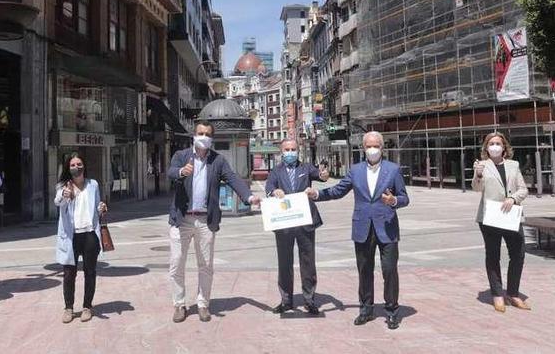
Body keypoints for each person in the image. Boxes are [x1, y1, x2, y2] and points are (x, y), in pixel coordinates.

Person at [306, 131, 409, 330]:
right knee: (364, 270)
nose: (372, 150)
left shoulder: (393, 170)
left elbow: (404, 197)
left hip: (387, 227)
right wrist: (317, 194)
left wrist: (393, 200)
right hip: (362, 226)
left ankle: (392, 311)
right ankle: (366, 309)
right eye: (368, 146)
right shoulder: (355, 170)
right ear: (363, 148)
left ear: (382, 147)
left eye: (376, 146)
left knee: (389, 270)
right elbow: (338, 190)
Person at [167, 120, 261, 323]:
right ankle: (179, 304)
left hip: (205, 220)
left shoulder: (217, 160)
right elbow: (171, 172)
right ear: (194, 135)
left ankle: (203, 304)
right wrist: (182, 172)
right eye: (200, 133)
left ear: (212, 138)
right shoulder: (181, 156)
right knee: (176, 264)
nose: (203, 137)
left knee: (206, 265)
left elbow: (233, 178)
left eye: (207, 134)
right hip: (181, 219)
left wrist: (250, 197)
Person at [264, 139, 329, 315]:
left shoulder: (306, 168)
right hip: (284, 222)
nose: (290, 152)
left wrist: (324, 174)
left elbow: (321, 176)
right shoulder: (276, 171)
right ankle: (286, 300)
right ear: (281, 151)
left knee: (308, 261)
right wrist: (273, 192)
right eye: (287, 149)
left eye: (293, 149)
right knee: (284, 262)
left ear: (298, 151)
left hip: (305, 220)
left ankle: (309, 299)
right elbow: (268, 186)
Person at [472, 132, 530, 313]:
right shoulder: (482, 165)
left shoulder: (514, 165)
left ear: (504, 147)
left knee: (518, 254)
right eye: (491, 143)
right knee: (493, 255)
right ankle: (497, 293)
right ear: (486, 147)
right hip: (490, 217)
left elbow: (524, 189)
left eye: (498, 143)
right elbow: (476, 188)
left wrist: (513, 198)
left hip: (511, 214)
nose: (495, 146)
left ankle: (513, 293)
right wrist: (478, 174)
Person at [55, 154, 107, 323]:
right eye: (72, 164)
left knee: (90, 272)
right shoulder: (64, 186)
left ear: (84, 166)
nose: (76, 167)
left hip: (90, 234)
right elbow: (58, 202)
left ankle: (87, 306)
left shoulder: (93, 185)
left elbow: (98, 206)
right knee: (69, 274)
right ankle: (68, 308)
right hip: (71, 236)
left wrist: (102, 207)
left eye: (79, 164)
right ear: (68, 168)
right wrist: (64, 194)